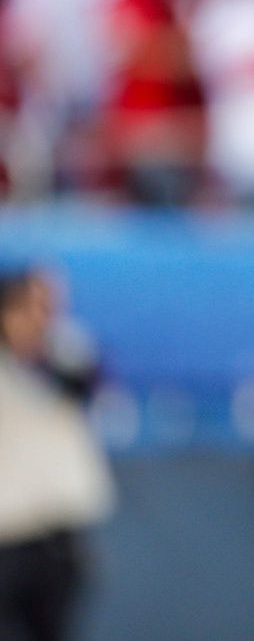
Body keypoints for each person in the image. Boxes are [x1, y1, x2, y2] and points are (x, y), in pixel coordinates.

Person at [0, 264, 115, 641]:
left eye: (48, 307)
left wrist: (39, 345)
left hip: (57, 533)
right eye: (31, 306)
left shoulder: (66, 348)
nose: (41, 317)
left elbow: (84, 385)